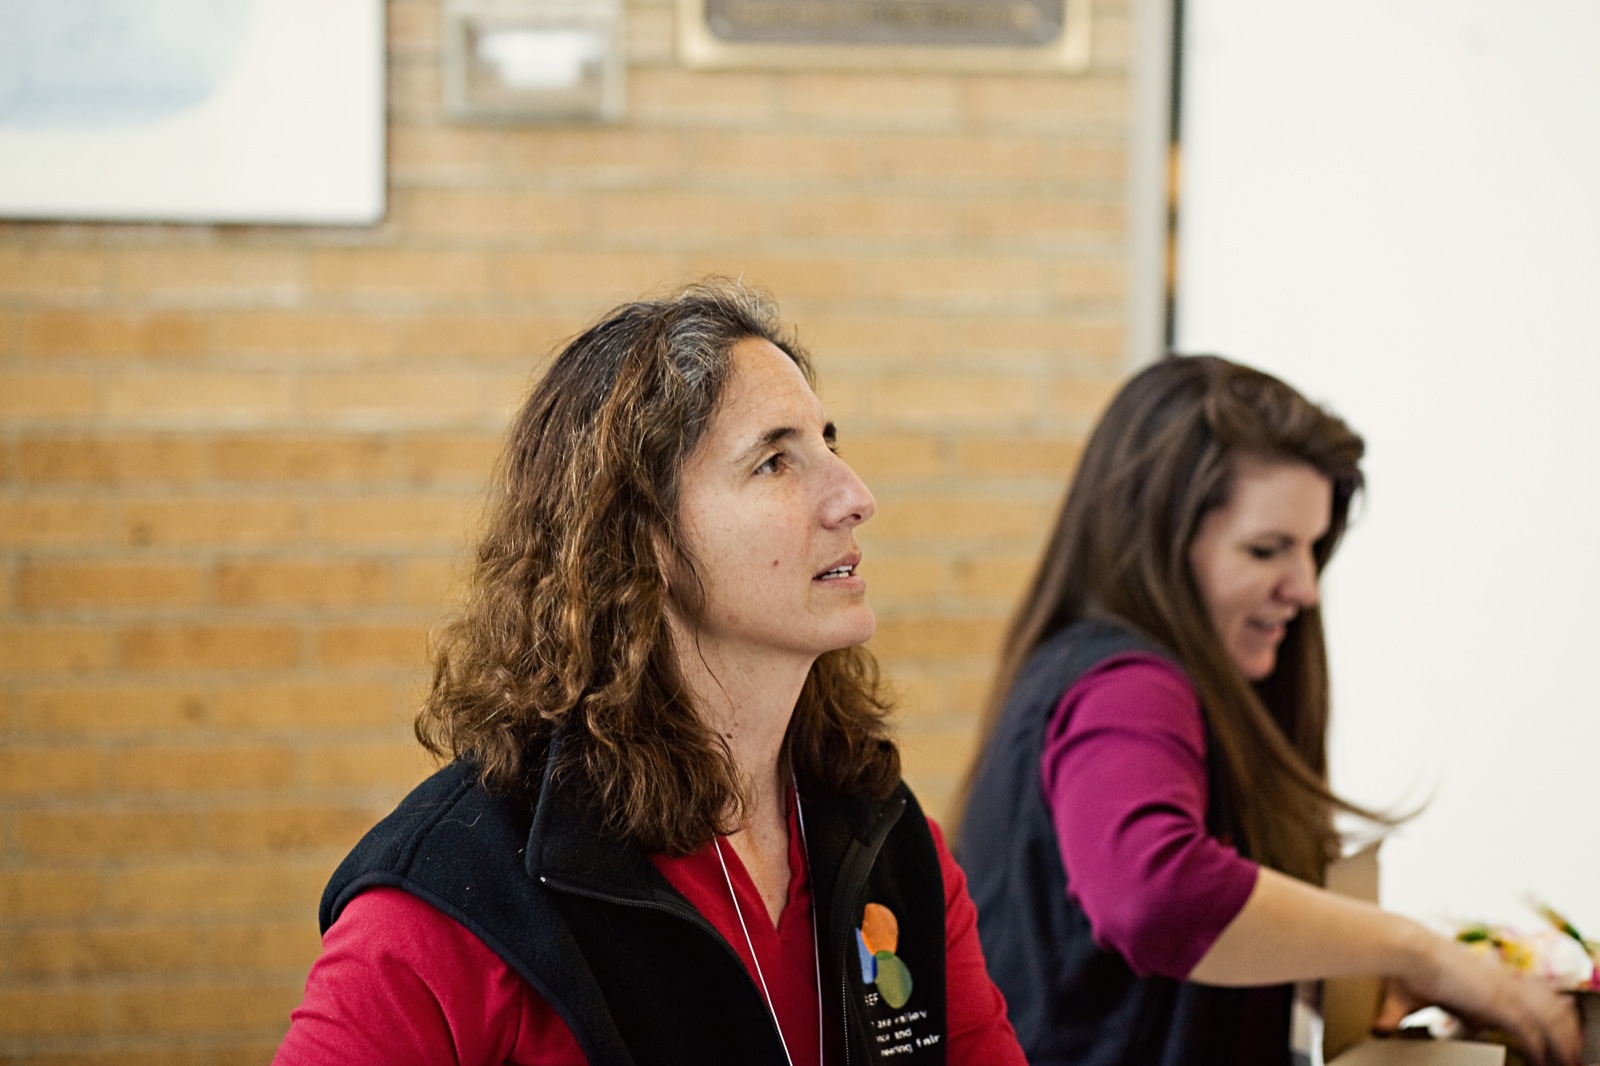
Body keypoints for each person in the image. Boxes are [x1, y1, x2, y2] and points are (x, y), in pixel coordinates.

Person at [273, 280, 1026, 1066]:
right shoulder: (459, 892)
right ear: (646, 538)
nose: (855, 496)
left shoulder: (884, 837)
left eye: (829, 445)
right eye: (775, 461)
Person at [956, 354, 1582, 1066]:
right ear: (1156, 542)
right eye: (1266, 550)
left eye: (1312, 549)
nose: (1305, 588)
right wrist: (1419, 952)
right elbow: (1154, 897)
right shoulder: (1128, 684)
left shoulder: (1086, 667)